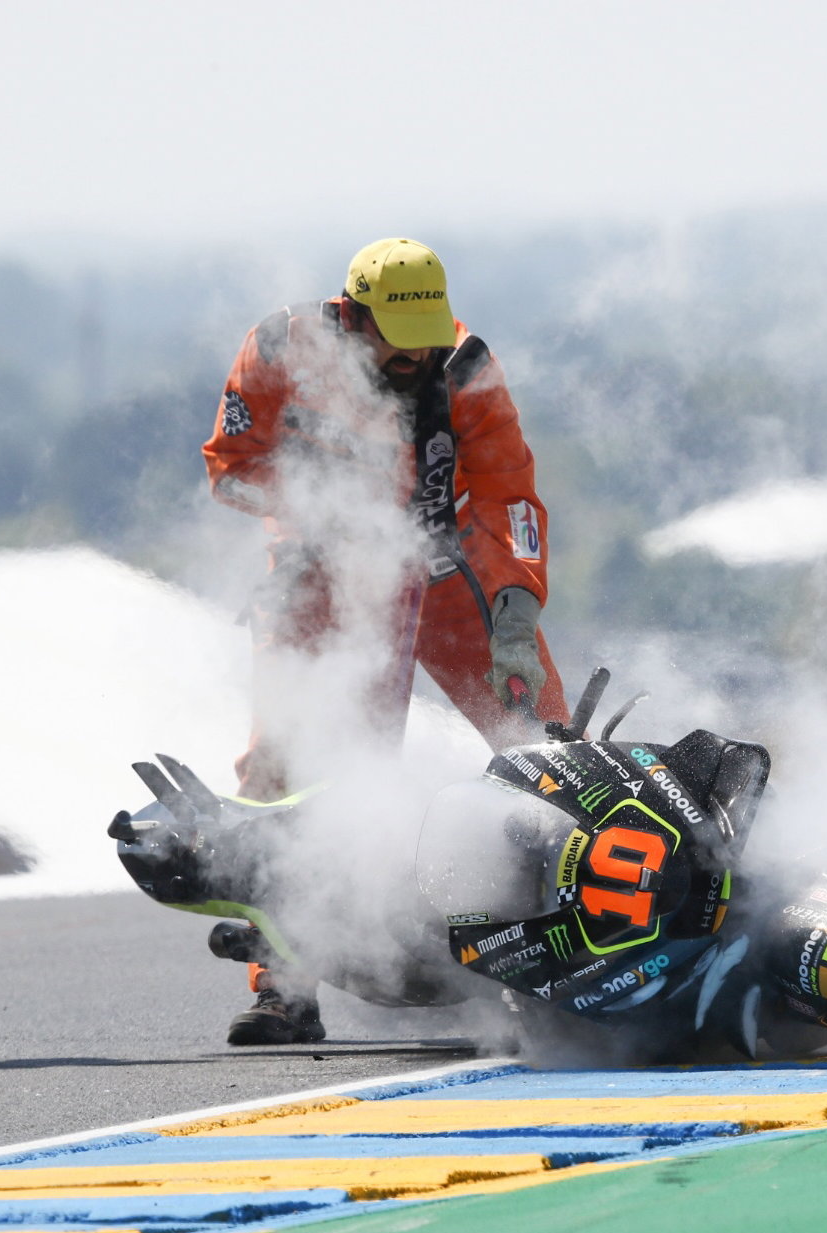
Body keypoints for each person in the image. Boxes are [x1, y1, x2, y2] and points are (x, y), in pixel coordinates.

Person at [202, 237, 569, 1044]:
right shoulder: (275, 350)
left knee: (546, 744)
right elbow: (229, 465)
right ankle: (283, 986)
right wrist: (315, 515)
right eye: (397, 342)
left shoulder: (467, 369)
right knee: (286, 769)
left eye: (425, 339)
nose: (414, 357)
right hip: (316, 571)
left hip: (447, 571)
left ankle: (569, 957)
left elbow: (511, 495)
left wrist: (515, 607)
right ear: (352, 314)